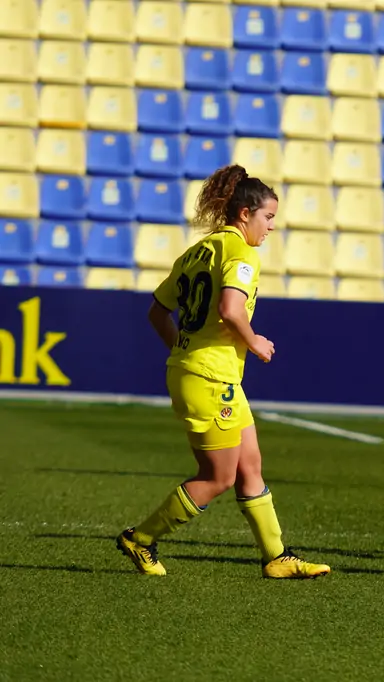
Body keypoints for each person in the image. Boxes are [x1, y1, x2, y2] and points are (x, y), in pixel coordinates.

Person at [115, 164, 330, 579]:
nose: (270, 228)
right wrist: (254, 341)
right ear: (245, 213)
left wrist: (183, 349)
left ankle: (276, 557)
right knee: (218, 477)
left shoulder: (198, 251)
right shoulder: (241, 253)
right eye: (268, 218)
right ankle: (139, 539)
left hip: (204, 372)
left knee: (250, 466)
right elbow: (231, 310)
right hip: (211, 378)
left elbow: (157, 312)